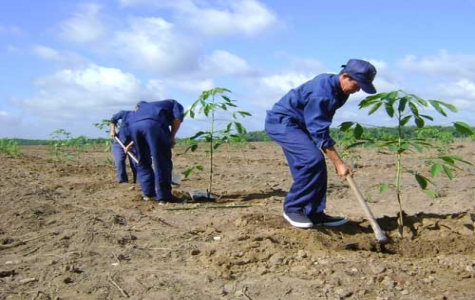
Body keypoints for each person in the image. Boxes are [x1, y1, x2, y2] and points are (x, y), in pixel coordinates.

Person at [264, 59, 377, 228]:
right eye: (358, 84)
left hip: (301, 126)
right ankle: (294, 208)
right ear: (345, 76)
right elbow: (319, 130)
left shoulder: (341, 90)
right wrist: (339, 163)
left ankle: (314, 213)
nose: (359, 89)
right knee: (312, 160)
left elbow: (319, 124)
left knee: (314, 164)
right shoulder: (323, 93)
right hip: (283, 123)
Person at [126, 100, 184, 204]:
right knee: (161, 160)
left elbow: (137, 112)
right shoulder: (175, 104)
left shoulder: (144, 106)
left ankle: (148, 194)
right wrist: (172, 136)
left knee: (142, 160)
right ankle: (164, 197)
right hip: (153, 124)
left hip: (133, 125)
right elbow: (177, 119)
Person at [110, 105, 139, 184]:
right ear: (135, 108)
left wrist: (129, 146)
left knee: (135, 164)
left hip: (134, 144)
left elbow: (140, 135)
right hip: (119, 142)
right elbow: (113, 120)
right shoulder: (125, 113)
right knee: (120, 161)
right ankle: (123, 182)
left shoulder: (142, 120)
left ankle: (138, 182)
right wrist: (112, 130)